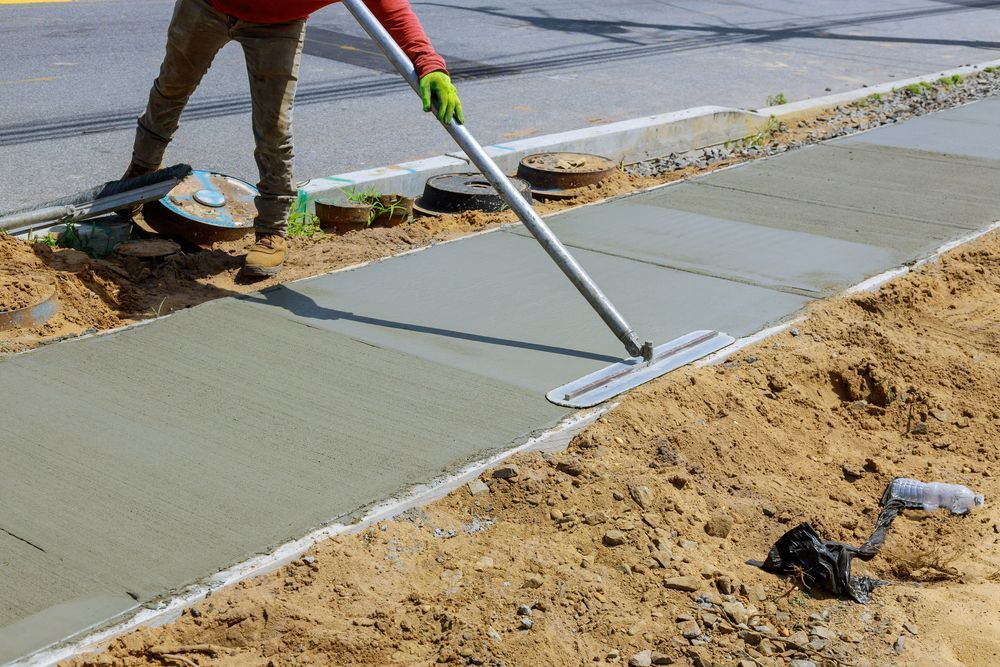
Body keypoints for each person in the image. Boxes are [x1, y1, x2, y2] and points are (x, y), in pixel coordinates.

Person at [123, 0, 464, 276]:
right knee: (170, 91)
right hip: (206, 6)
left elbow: (391, 8)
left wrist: (429, 64)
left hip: (278, 24)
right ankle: (140, 176)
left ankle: (272, 230)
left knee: (274, 126)